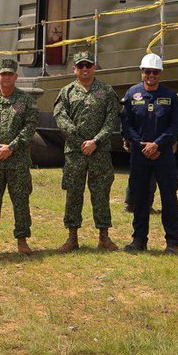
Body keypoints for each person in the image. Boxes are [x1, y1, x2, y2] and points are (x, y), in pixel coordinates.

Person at [53, 50, 122, 252]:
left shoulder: (107, 91)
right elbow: (61, 118)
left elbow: (111, 120)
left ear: (94, 67)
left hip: (99, 152)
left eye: (88, 65)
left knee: (101, 193)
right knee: (74, 193)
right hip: (75, 153)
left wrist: (95, 141)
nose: (84, 69)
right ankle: (72, 237)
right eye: (80, 66)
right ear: (74, 69)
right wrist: (80, 141)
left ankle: (104, 237)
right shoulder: (66, 92)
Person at [0, 57, 39, 259]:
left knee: (21, 200)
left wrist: (12, 146)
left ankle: (22, 240)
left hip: (17, 160)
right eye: (3, 74)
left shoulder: (26, 101)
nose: (6, 77)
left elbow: (30, 127)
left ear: (16, 76)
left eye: (10, 74)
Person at [121, 53, 178, 254]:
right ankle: (139, 240)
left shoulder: (171, 97)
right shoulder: (132, 95)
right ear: (142, 72)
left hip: (163, 155)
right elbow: (126, 124)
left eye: (155, 72)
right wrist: (141, 145)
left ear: (160, 74)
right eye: (147, 71)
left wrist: (156, 145)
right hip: (140, 155)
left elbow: (175, 126)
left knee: (169, 198)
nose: (151, 75)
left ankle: (172, 243)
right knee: (140, 199)